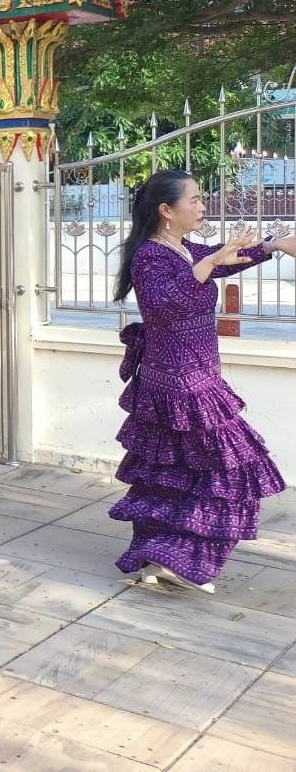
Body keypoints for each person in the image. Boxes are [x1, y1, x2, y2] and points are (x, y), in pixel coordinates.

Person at [109, 169, 292, 593]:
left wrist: (273, 246)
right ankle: (178, 557)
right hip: (181, 383)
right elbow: (166, 304)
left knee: (176, 472)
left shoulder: (179, 246)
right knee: (228, 469)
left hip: (190, 375)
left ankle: (162, 556)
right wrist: (211, 261)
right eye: (194, 199)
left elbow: (219, 261)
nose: (203, 206)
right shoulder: (150, 256)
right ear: (166, 211)